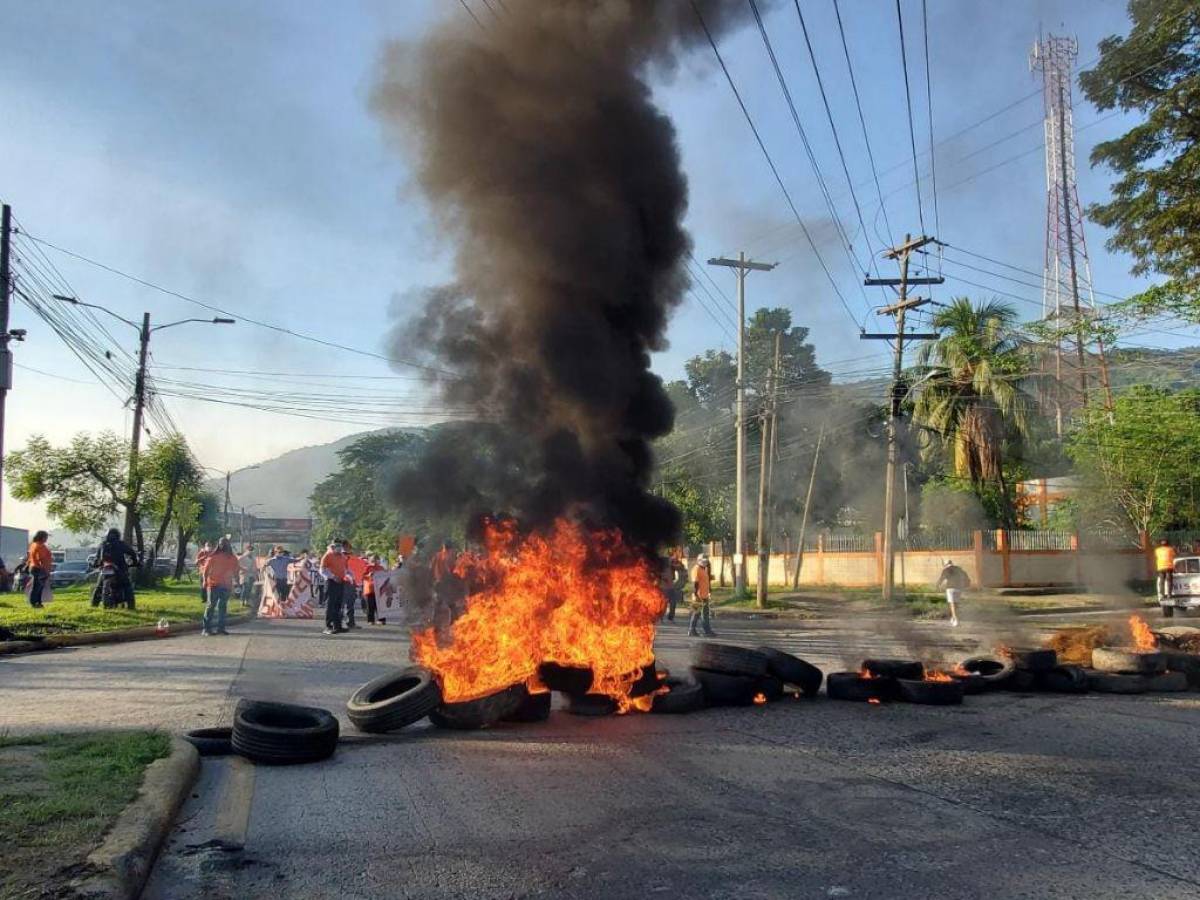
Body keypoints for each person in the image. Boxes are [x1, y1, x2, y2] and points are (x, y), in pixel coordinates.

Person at [90, 528, 139, 607]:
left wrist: (96, 564)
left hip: (105, 568)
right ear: (118, 536)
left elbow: (97, 558)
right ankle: (131, 605)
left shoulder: (102, 545)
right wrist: (135, 562)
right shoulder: (121, 544)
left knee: (99, 586)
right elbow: (132, 553)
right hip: (119, 568)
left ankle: (94, 604)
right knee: (127, 585)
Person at [201, 537, 239, 636]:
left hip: (224, 585)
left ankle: (216, 629)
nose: (223, 546)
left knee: (219, 607)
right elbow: (205, 570)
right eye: (222, 544)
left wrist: (237, 583)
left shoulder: (230, 557)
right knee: (214, 607)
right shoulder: (214, 556)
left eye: (224, 544)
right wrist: (205, 581)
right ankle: (209, 629)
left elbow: (236, 571)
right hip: (216, 585)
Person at [320, 540, 351, 635]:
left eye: (340, 546)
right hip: (331, 582)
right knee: (330, 605)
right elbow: (322, 570)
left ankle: (337, 626)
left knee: (338, 604)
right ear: (332, 547)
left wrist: (349, 576)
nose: (339, 548)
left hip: (341, 582)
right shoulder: (328, 556)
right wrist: (333, 577)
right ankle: (328, 626)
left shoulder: (342, 556)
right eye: (336, 546)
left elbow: (345, 569)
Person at [936, 559, 970, 627]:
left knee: (952, 604)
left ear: (945, 565)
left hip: (950, 588)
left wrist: (937, 585)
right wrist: (966, 585)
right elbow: (967, 578)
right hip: (959, 588)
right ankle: (953, 618)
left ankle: (956, 619)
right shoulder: (959, 569)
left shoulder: (946, 570)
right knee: (956, 603)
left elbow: (941, 579)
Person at [688, 553, 716, 637]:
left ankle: (702, 630)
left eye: (706, 561)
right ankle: (698, 631)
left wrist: (709, 591)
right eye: (703, 561)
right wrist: (695, 594)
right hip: (699, 596)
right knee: (697, 614)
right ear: (698, 561)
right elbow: (695, 583)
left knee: (703, 614)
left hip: (704, 595)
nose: (705, 563)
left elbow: (706, 582)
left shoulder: (704, 569)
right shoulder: (696, 569)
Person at [25, 530, 53, 609]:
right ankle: (34, 603)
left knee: (40, 586)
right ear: (42, 537)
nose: (46, 538)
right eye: (46, 537)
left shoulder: (37, 545)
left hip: (39, 568)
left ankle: (38, 602)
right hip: (38, 568)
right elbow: (37, 558)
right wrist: (42, 568)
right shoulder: (38, 545)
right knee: (37, 586)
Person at [363, 553, 385, 625]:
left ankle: (381, 620)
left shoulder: (381, 568)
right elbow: (362, 576)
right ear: (371, 560)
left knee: (380, 606)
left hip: (379, 589)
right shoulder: (367, 567)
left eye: (377, 559)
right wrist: (368, 575)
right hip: (370, 589)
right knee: (370, 606)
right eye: (374, 560)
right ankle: (370, 620)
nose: (375, 561)